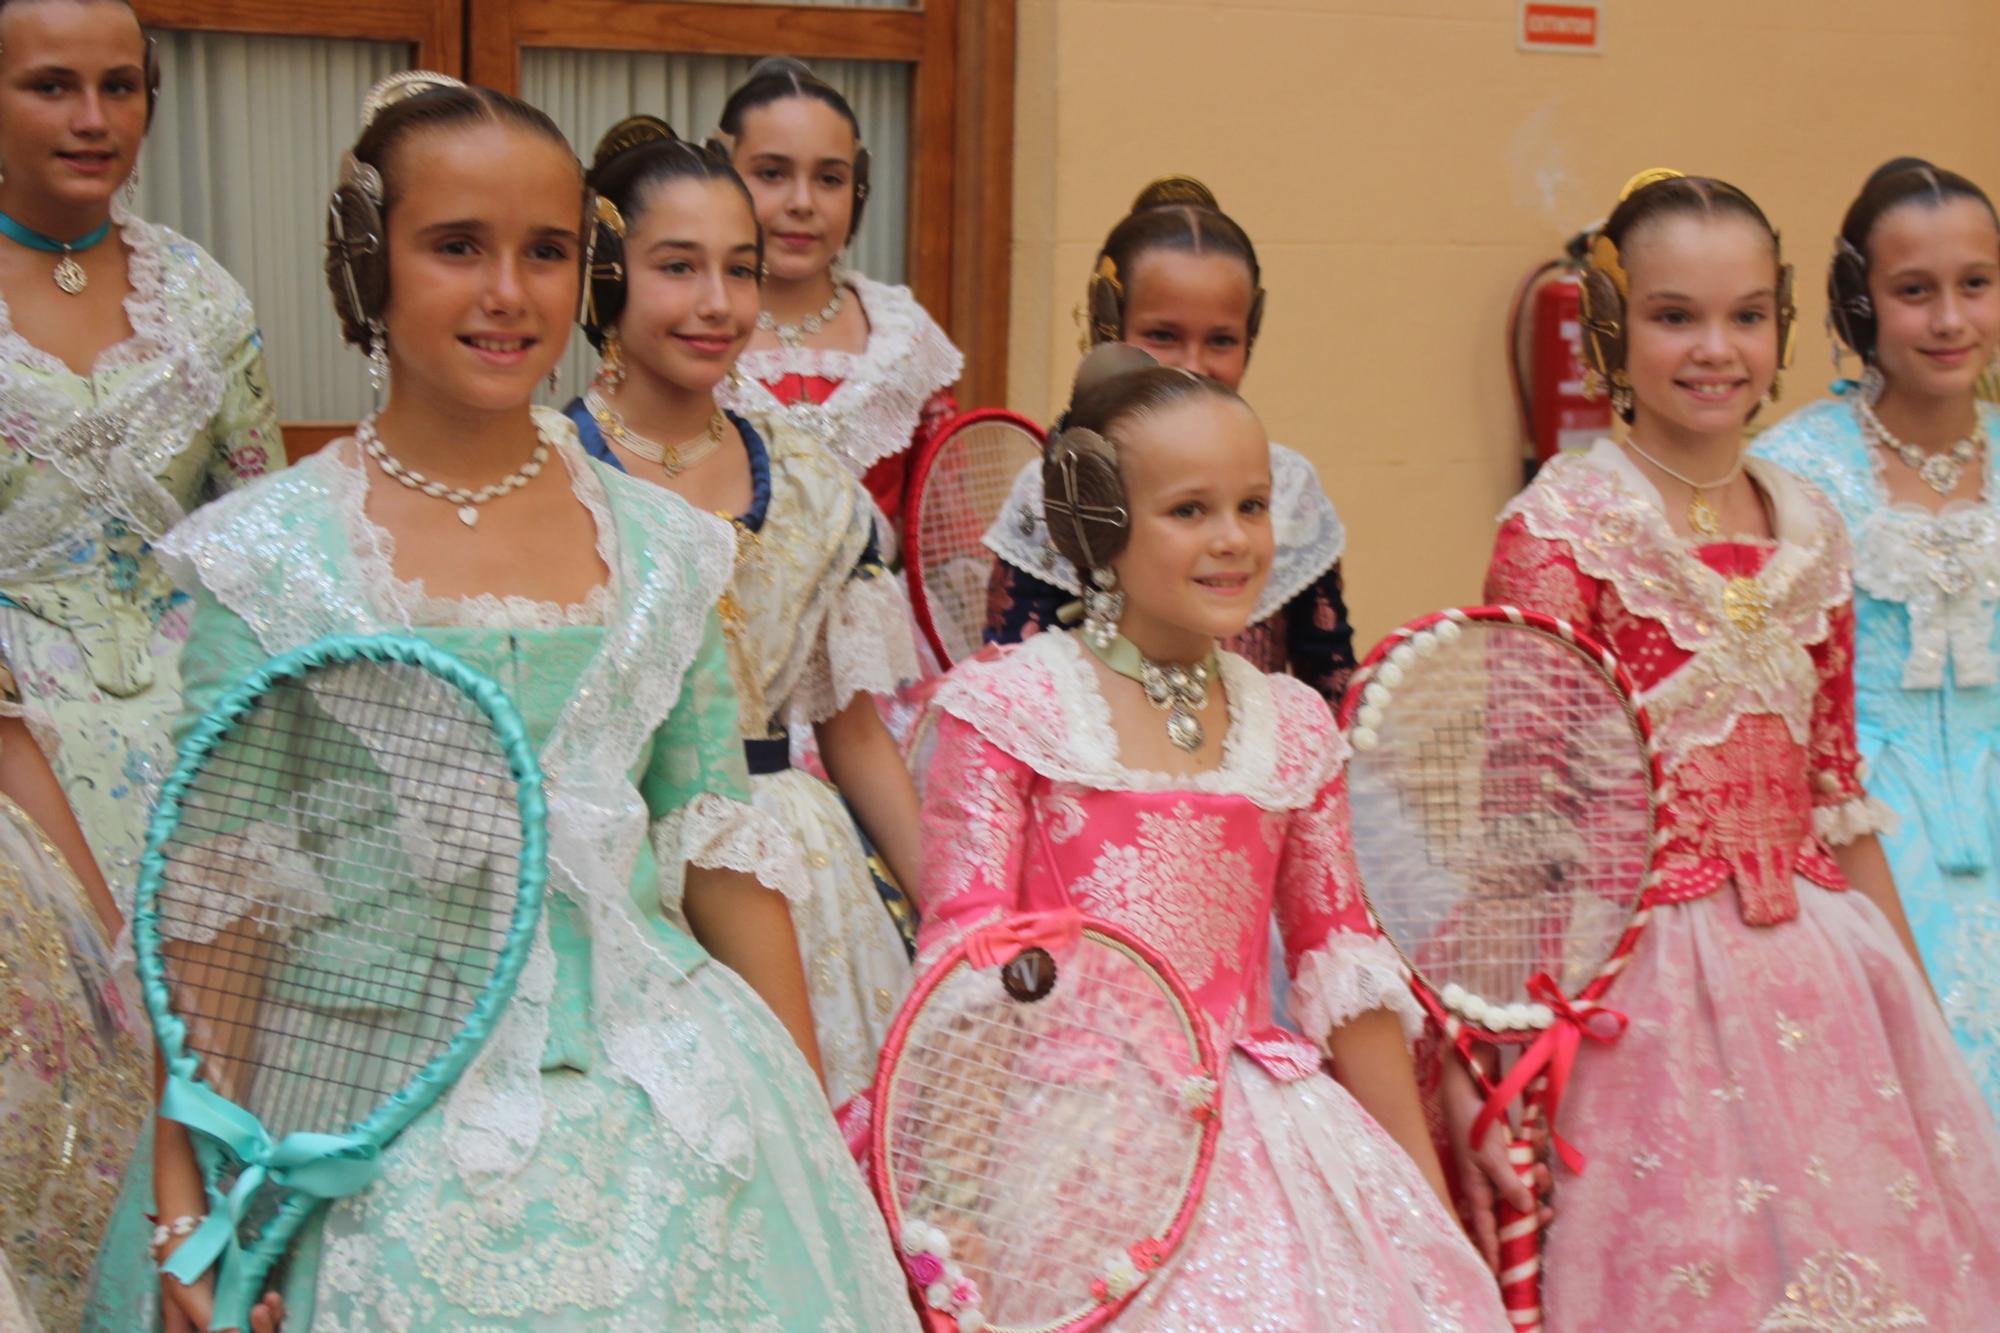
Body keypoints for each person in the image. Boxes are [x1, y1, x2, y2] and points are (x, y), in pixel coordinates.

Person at [84, 73, 917, 1332]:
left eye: (543, 252)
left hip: (665, 1116)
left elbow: (716, 852)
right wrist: (179, 1192)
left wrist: (805, 1135)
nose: (505, 293)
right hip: (367, 1131)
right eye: (455, 247)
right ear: (369, 264)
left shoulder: (667, 547)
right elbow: (215, 905)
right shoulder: (269, 558)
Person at [1472, 168, 2000, 1328]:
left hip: (1823, 970)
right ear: (1610, 327)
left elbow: (1834, 796)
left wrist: (1917, 1030)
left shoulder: (1812, 527)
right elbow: (1517, 836)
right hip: (1641, 1000)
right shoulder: (1559, 532)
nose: (1715, 350)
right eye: (1674, 317)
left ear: (1784, 324)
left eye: (1745, 316)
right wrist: (1506, 1070)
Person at [914, 344, 1510, 1329]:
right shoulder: (1008, 710)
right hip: (1069, 1145)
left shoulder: (1289, 724)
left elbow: (1341, 974)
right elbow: (969, 979)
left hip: (1262, 1132)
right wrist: (951, 1207)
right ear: (1099, 522)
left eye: (1251, 505)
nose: (1232, 539)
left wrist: (1424, 1205)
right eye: (1188, 510)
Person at [564, 116, 921, 1105]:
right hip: (611, 867)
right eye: (677, 267)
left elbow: (852, 734)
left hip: (794, 868)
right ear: (609, 274)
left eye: (741, 269)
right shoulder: (550, 475)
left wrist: (955, 909)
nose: (716, 304)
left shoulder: (809, 483)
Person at [0, 0, 281, 920]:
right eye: (52, 87)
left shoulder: (200, 296)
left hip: (203, 731)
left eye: (120, 87)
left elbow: (265, 537)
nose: (94, 119)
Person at [1755, 157, 2000, 1115]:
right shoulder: (1792, 475)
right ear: (1861, 304)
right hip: (1859, 835)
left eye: (1974, 285)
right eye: (1914, 291)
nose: (1949, 320)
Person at [982, 177, 1355, 705]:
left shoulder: (1288, 484)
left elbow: (1330, 679)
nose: (1192, 365)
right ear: (1109, 328)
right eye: (1163, 335)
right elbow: (1009, 676)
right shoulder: (1055, 483)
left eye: (1221, 340)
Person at [712, 56, 961, 540]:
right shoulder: (686, 325)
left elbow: (947, 537)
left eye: (829, 179)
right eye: (771, 173)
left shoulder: (902, 339)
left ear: (859, 189)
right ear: (722, 176)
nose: (802, 203)